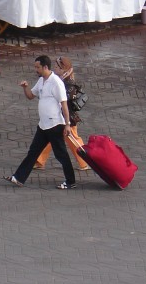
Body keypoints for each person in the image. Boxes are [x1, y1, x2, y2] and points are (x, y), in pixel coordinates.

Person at [6, 55, 78, 190]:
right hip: (43, 125)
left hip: (55, 125)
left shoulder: (56, 82)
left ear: (45, 67)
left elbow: (64, 104)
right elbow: (30, 96)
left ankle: (70, 181)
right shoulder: (41, 81)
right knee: (33, 152)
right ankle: (19, 177)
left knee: (61, 154)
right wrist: (25, 87)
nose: (36, 69)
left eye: (37, 67)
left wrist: (67, 124)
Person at [34, 56, 90, 172]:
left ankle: (84, 162)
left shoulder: (68, 84)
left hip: (67, 119)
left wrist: (67, 122)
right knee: (49, 139)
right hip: (56, 119)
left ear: (63, 69)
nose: (54, 69)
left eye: (57, 67)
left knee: (74, 141)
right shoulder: (59, 80)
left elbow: (65, 103)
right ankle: (39, 161)